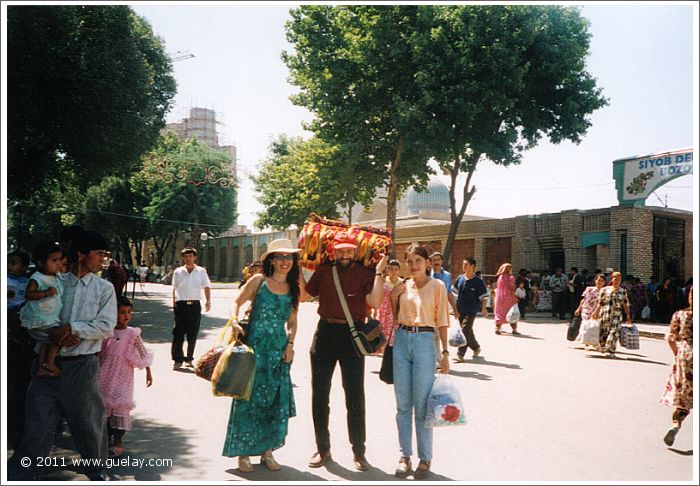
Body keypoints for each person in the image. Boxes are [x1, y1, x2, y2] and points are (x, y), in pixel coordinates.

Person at [8, 230, 117, 481]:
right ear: (81, 254)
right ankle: (24, 472)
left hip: (82, 366)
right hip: (45, 365)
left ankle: (96, 471)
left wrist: (71, 329)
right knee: (38, 424)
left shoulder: (104, 289)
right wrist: (52, 335)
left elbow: (106, 326)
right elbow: (34, 316)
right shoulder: (54, 281)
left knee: (88, 424)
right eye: (99, 254)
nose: (103, 259)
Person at [299, 231, 387, 471]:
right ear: (333, 251)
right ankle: (323, 448)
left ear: (356, 251)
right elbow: (305, 295)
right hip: (325, 333)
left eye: (349, 250)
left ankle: (359, 452)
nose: (345, 254)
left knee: (355, 396)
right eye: (341, 251)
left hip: (353, 334)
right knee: (320, 394)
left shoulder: (365, 272)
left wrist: (379, 271)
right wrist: (298, 267)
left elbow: (376, 302)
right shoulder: (325, 270)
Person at [223, 239, 299, 472]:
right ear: (272, 260)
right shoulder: (258, 281)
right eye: (280, 257)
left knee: (273, 401)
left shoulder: (293, 288)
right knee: (248, 398)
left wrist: (290, 343)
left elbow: (293, 322)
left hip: (278, 350)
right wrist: (234, 322)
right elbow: (236, 303)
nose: (285, 262)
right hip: (254, 348)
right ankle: (243, 452)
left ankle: (267, 451)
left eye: (289, 257)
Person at [390, 244, 450, 479]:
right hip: (402, 341)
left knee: (423, 404)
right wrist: (394, 298)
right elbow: (395, 318)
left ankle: (425, 458)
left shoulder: (438, 286)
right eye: (410, 261)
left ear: (427, 263)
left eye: (418, 261)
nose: (414, 265)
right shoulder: (403, 286)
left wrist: (445, 353)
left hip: (426, 341)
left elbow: (443, 320)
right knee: (402, 404)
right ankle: (405, 456)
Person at [99, 296, 153, 458]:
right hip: (105, 376)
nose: (126, 316)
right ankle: (105, 440)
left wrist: (148, 372)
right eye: (122, 312)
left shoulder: (132, 334)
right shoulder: (107, 332)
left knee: (120, 408)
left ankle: (118, 442)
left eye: (129, 312)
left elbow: (143, 353)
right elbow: (99, 353)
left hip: (123, 378)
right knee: (106, 408)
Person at [20, 241, 65, 378]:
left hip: (49, 318)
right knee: (58, 337)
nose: (58, 264)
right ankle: (50, 362)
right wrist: (45, 293)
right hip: (40, 320)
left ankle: (41, 367)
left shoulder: (56, 276)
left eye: (60, 260)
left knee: (45, 344)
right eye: (54, 260)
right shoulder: (37, 278)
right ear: (40, 263)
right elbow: (28, 295)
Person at [7, 250, 33, 448]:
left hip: (21, 327)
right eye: (8, 263)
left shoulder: (28, 282)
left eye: (14, 263)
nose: (9, 266)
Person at [660, 285, 692, 446]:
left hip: (685, 356)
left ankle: (675, 426)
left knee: (683, 400)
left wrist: (678, 357)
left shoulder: (680, 315)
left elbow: (671, 338)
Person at [171, 247, 211, 370]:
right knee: (178, 333)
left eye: (190, 256)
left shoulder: (201, 271)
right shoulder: (178, 272)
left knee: (192, 333)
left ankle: (189, 358)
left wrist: (208, 301)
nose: (188, 258)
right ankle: (177, 360)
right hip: (181, 305)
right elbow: (175, 288)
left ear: (195, 257)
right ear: (183, 258)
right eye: (186, 256)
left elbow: (207, 286)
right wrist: (174, 304)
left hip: (194, 305)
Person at [453, 256, 488, 361]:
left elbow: (484, 297)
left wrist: (483, 308)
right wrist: (453, 309)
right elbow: (454, 294)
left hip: (471, 310)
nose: (463, 266)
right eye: (463, 264)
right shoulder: (460, 278)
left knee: (465, 330)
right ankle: (476, 347)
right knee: (468, 331)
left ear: (472, 266)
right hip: (460, 309)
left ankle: (460, 354)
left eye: (466, 264)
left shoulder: (478, 282)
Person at [591, 271, 632, 358]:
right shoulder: (605, 290)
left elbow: (625, 304)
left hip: (616, 316)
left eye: (619, 279)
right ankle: (602, 346)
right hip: (605, 314)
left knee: (614, 332)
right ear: (612, 279)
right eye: (615, 279)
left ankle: (611, 350)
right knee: (604, 333)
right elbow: (600, 303)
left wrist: (628, 316)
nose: (617, 281)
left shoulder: (623, 291)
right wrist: (595, 312)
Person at [376, 259, 403, 349]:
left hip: (396, 310)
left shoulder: (402, 283)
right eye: (391, 269)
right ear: (388, 271)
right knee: (384, 331)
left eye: (396, 269)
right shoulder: (383, 282)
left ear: (399, 271)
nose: (394, 272)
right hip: (384, 311)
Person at [574, 273, 605, 350]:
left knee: (595, 327)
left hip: (598, 311)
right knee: (586, 326)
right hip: (587, 310)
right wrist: (579, 308)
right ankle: (586, 342)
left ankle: (594, 342)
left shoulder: (604, 291)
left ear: (604, 282)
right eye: (598, 280)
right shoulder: (589, 289)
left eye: (602, 281)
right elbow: (584, 299)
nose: (600, 282)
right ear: (595, 280)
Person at [494, 263, 519, 335]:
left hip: (500, 298)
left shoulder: (500, 277)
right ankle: (514, 329)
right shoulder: (511, 277)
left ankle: (497, 329)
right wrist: (515, 297)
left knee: (499, 314)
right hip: (509, 298)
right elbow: (512, 288)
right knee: (512, 313)